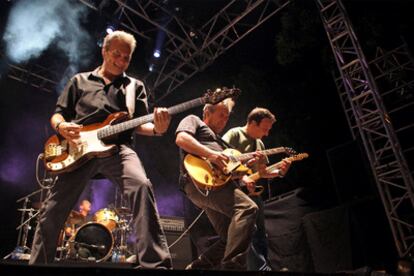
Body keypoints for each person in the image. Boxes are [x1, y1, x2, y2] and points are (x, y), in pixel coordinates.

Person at [29, 30, 172, 269]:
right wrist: (62, 126)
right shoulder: (79, 81)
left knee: (142, 186)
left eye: (126, 58)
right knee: (53, 208)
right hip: (78, 150)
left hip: (118, 149)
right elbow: (58, 114)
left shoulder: (134, 86)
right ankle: (39, 262)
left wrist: (158, 128)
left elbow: (141, 124)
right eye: (116, 54)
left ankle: (154, 264)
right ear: (104, 51)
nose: (120, 61)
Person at [175, 98, 259, 270]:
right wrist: (211, 154)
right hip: (198, 180)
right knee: (247, 209)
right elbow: (182, 139)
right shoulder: (194, 120)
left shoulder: (221, 143)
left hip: (214, 185)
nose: (225, 120)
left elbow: (228, 171)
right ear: (207, 113)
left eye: (227, 117)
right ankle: (233, 267)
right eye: (221, 115)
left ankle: (198, 267)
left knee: (234, 234)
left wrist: (244, 177)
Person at [222, 107, 291, 271]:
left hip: (253, 193)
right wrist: (242, 176)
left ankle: (263, 265)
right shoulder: (234, 134)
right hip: (235, 191)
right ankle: (261, 268)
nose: (266, 134)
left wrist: (280, 172)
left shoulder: (259, 143)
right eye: (265, 129)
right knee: (248, 232)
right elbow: (222, 159)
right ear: (253, 123)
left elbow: (262, 173)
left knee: (260, 233)